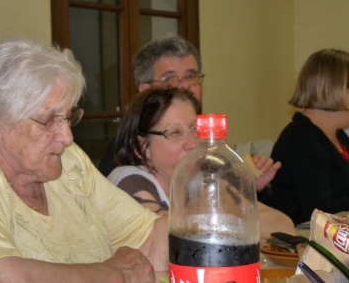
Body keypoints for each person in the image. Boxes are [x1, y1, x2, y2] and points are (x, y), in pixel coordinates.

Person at [0, 37, 168, 283]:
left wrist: (199, 204)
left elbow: (147, 240)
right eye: (48, 120)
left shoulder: (66, 162)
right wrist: (114, 275)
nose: (67, 137)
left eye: (68, 117)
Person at [108, 87, 296, 245]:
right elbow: (164, 241)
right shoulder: (128, 180)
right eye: (175, 133)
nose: (192, 142)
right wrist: (231, 219)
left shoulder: (199, 179)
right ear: (142, 148)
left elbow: (284, 227)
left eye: (194, 129)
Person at [99, 35, 280, 193]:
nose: (184, 85)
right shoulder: (126, 150)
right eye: (169, 78)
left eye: (191, 76)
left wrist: (248, 186)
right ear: (145, 90)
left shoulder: (207, 140)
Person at [266, 49, 349, 225]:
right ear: (337, 91)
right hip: (305, 244)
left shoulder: (339, 136)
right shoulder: (303, 140)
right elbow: (319, 211)